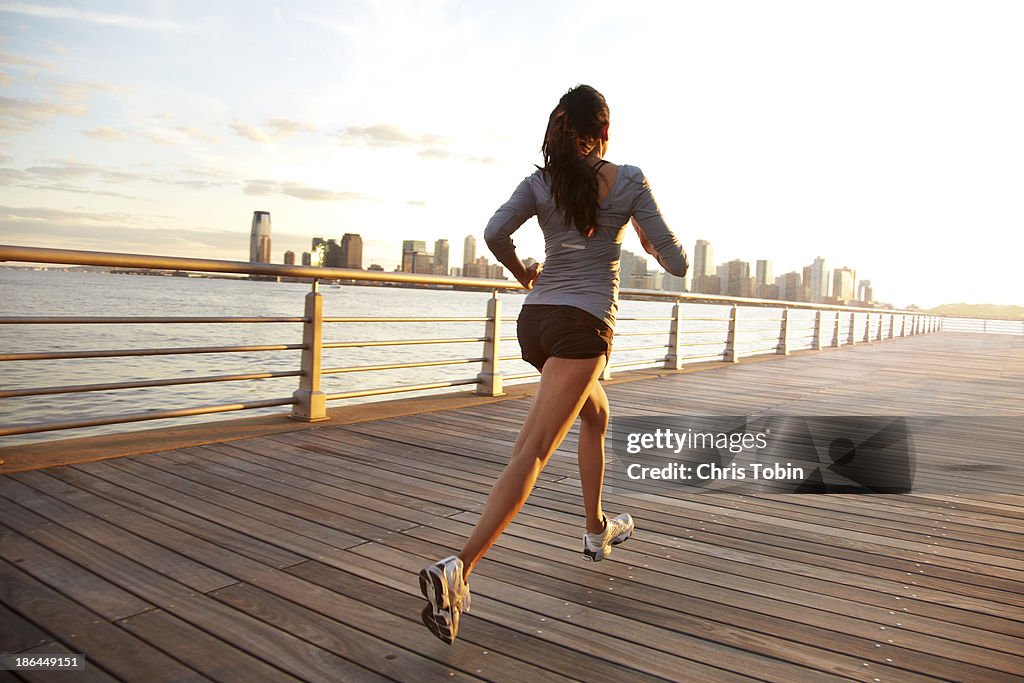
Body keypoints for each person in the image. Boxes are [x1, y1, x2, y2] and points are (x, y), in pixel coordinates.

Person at [419, 84, 688, 645]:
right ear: (605, 133)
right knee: (532, 453)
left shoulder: (540, 182)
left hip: (537, 323)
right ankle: (458, 570)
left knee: (595, 417)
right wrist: (640, 231)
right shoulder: (629, 180)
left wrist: (524, 275)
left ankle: (595, 530)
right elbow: (678, 263)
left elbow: (495, 234)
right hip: (582, 328)